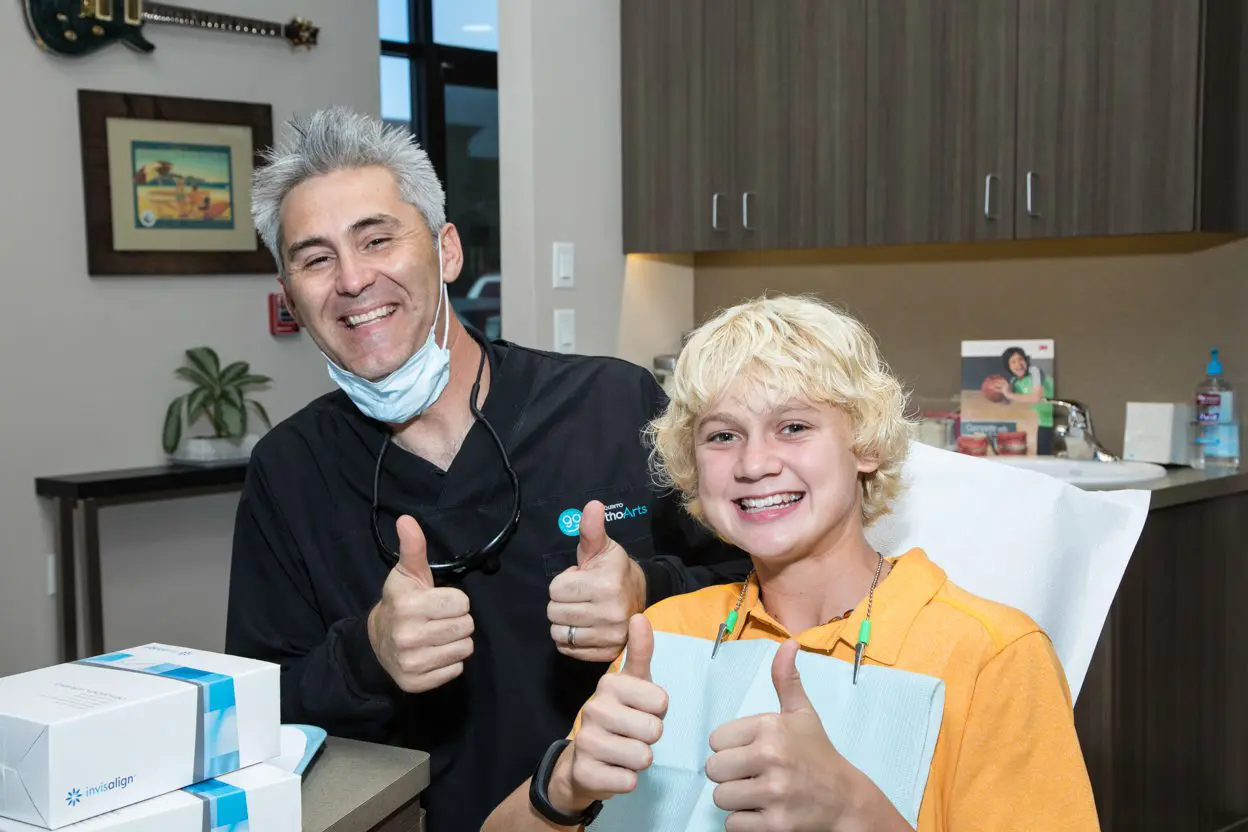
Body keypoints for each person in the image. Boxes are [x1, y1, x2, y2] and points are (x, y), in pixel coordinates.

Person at [223, 107, 750, 832]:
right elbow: (258, 713)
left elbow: (757, 593)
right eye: (315, 259)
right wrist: (367, 653)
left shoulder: (610, 404)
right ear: (292, 294)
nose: (352, 279)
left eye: (377, 239)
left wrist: (648, 594)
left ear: (445, 251)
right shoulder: (289, 472)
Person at [484, 294, 1100, 831]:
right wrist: (564, 787)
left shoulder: (990, 658)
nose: (754, 463)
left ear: (863, 445)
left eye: (794, 426)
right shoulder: (668, 636)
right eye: (722, 436)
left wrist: (858, 817)